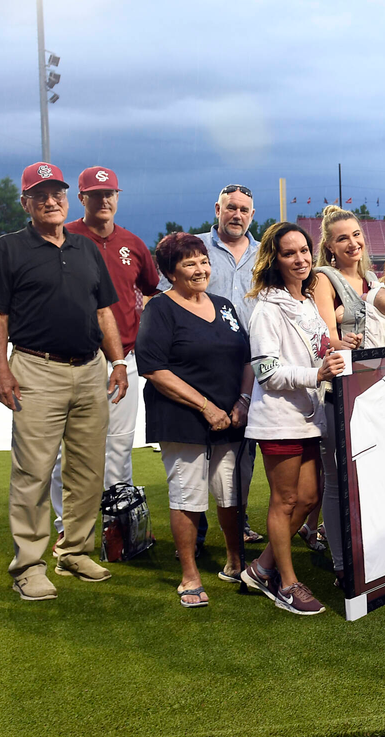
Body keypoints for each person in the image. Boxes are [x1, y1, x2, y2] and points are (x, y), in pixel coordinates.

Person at [0, 162, 128, 602]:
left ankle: (75, 550)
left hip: (88, 369)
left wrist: (117, 361)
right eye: (40, 194)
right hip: (35, 368)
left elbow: (104, 311)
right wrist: (0, 370)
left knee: (87, 469)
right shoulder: (8, 247)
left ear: (67, 198)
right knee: (34, 471)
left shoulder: (85, 248)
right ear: (26, 202)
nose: (50, 201)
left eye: (57, 193)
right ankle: (28, 564)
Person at [137, 232, 252, 607]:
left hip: (230, 417)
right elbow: (154, 369)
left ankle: (236, 561)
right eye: (189, 263)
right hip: (182, 418)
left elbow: (246, 359)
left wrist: (242, 401)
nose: (201, 268)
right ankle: (189, 575)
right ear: (171, 272)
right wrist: (206, 407)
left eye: (203, 260)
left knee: (231, 494)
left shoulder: (224, 306)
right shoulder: (160, 308)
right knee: (187, 496)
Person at [48, 167, 160, 548]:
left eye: (110, 192)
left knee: (119, 445)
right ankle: (66, 521)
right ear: (81, 199)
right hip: (74, 359)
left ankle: (118, 520)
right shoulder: (65, 237)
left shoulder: (133, 243)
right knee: (68, 448)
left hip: (123, 358)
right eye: (95, 194)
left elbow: (150, 290)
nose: (104, 200)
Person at [241, 222, 345, 614]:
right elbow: (267, 371)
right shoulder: (267, 307)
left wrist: (337, 347)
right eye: (289, 253)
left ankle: (263, 566)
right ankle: (286, 584)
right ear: (275, 258)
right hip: (279, 419)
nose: (300, 259)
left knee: (309, 498)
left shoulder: (302, 300)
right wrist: (315, 374)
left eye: (304, 250)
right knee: (285, 501)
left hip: (307, 415)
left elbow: (314, 348)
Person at [310, 207, 385, 571]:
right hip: (342, 391)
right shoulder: (323, 278)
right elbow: (323, 337)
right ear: (329, 246)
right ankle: (343, 562)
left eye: (357, 234)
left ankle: (374, 550)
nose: (352, 242)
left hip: (378, 389)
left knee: (375, 474)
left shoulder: (371, 278)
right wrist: (340, 337)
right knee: (337, 479)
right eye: (342, 237)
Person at [181, 184, 265, 546]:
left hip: (252, 366)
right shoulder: (195, 247)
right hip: (201, 367)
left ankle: (239, 520)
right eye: (231, 207)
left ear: (252, 214)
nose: (237, 215)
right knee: (196, 454)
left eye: (244, 210)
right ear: (217, 208)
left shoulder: (265, 254)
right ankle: (195, 531)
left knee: (243, 455)